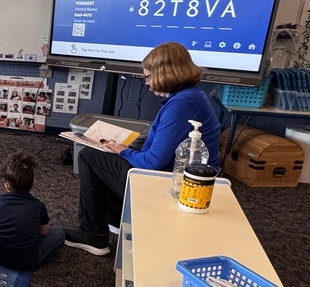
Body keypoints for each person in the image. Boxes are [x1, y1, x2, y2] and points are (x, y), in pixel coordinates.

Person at [63, 42, 221, 256]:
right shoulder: (189, 96)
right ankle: (118, 218)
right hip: (178, 179)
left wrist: (123, 151)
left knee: (89, 156)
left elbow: (153, 163)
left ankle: (94, 235)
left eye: (148, 77)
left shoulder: (182, 105)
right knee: (102, 156)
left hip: (173, 185)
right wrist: (122, 150)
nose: (146, 83)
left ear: (166, 74)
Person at [0, 152, 65, 271]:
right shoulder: (38, 205)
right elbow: (44, 232)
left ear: (7, 186)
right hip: (26, 262)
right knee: (59, 233)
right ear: (33, 182)